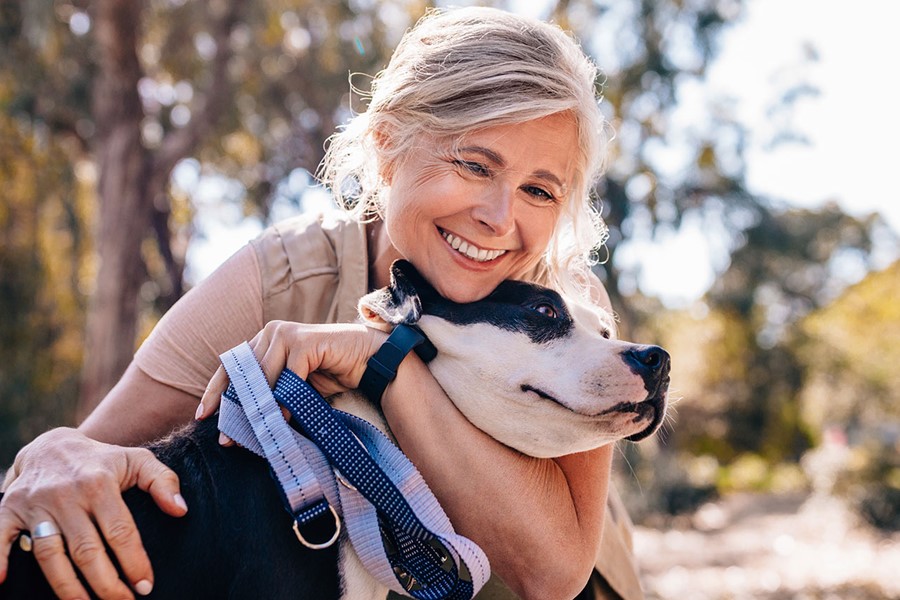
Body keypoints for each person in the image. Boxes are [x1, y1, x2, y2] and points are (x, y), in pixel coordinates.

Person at [0, 7, 643, 600]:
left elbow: (550, 571)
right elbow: (89, 456)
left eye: (539, 189)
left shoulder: (568, 310)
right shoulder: (279, 278)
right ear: (389, 144)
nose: (500, 219)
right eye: (475, 166)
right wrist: (52, 453)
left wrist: (381, 362)